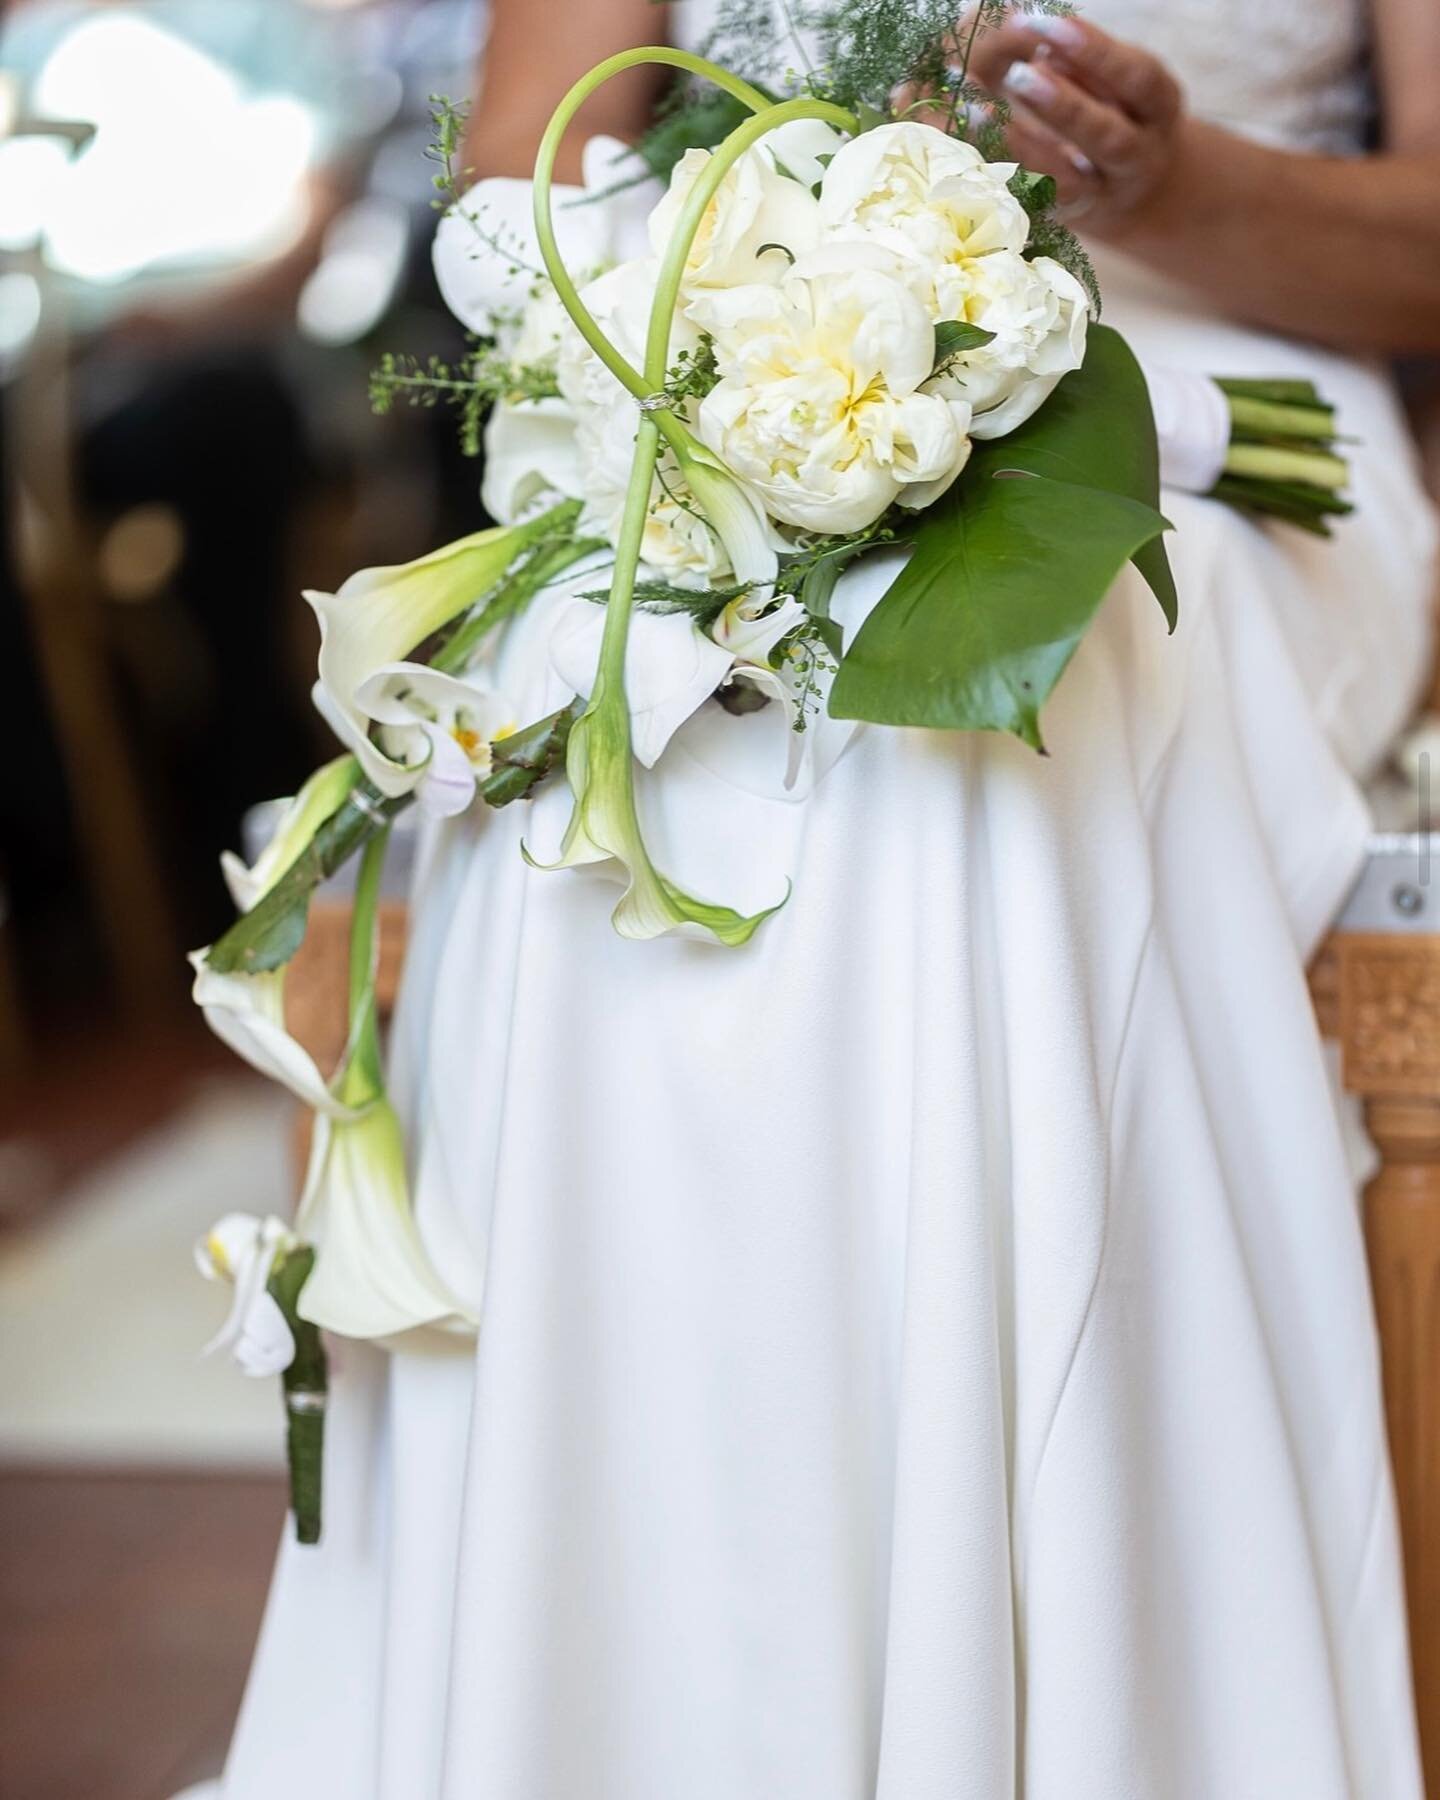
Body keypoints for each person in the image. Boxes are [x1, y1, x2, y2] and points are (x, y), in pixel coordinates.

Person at [210, 2, 1440, 1796]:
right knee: (644, 677)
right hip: (733, 369)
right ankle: (635, 1695)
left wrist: (1166, 187)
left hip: (1231, 410)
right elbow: (518, 191)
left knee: (995, 710)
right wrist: (737, 293)